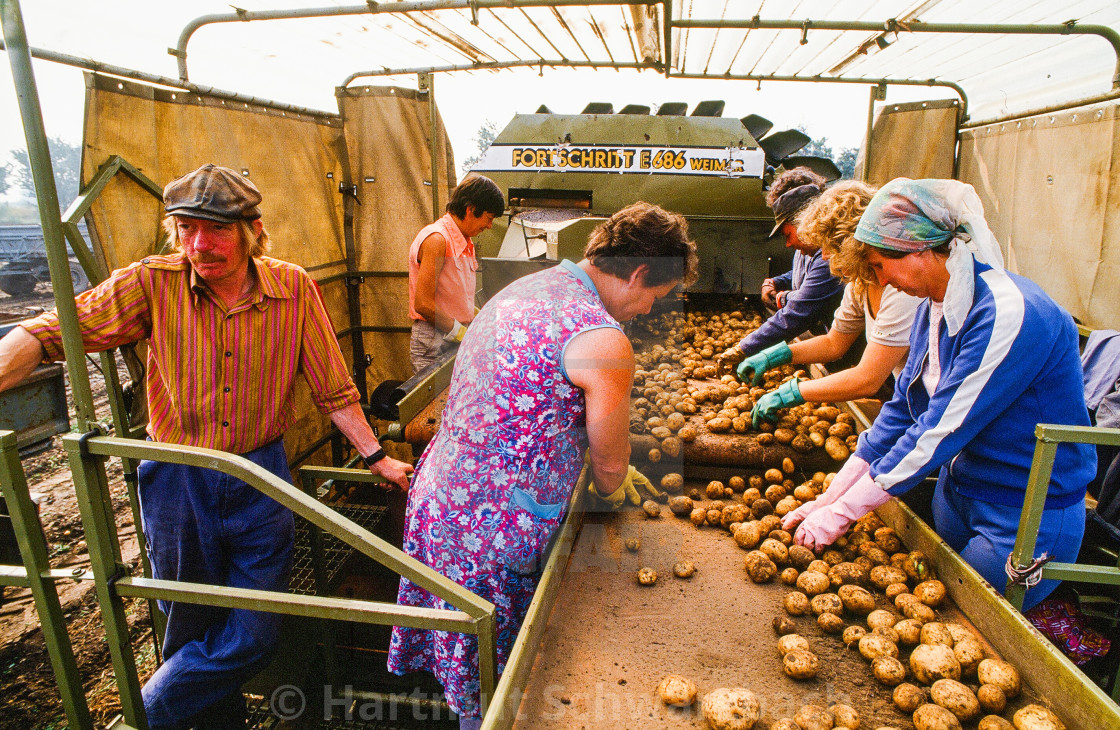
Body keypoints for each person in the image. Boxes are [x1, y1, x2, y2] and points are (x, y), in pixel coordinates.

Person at [0, 163, 413, 728]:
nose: (199, 244)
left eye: (215, 229)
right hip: (178, 478)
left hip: (260, 477)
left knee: (256, 631)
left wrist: (376, 456)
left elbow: (333, 387)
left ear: (251, 231)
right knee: (187, 619)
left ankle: (144, 715)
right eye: (186, 228)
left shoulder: (292, 288)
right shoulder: (153, 281)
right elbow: (52, 329)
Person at [387, 202, 697, 728]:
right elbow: (609, 465)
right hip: (499, 535)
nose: (647, 311)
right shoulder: (603, 340)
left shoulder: (522, 288)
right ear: (640, 273)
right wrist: (615, 481)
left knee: (472, 668)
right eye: (654, 298)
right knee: (507, 698)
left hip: (441, 508)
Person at [782, 178, 1095, 612]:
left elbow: (940, 428)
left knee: (968, 621)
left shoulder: (1009, 313)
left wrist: (843, 513)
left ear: (921, 251)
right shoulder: (934, 306)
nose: (881, 280)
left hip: (1020, 516)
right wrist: (831, 495)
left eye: (879, 265)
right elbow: (903, 410)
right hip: (959, 492)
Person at [741, 181, 923, 425]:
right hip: (910, 400)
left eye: (830, 247)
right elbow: (834, 343)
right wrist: (773, 356)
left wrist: (794, 393)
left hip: (930, 404)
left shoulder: (901, 290)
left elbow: (868, 379)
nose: (824, 256)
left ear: (855, 243)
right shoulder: (860, 283)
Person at [717, 166, 844, 368]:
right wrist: (777, 281)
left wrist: (743, 349)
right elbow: (802, 273)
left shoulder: (830, 256)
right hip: (829, 345)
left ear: (806, 221)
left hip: (843, 354)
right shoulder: (808, 249)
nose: (787, 244)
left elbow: (798, 311)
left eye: (787, 235)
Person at [408, 175, 505, 373]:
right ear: (470, 209)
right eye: (489, 218)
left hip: (451, 338)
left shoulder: (464, 242)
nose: (489, 226)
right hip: (435, 342)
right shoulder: (437, 239)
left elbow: (455, 294)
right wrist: (460, 332)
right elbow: (423, 304)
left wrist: (477, 318)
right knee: (439, 403)